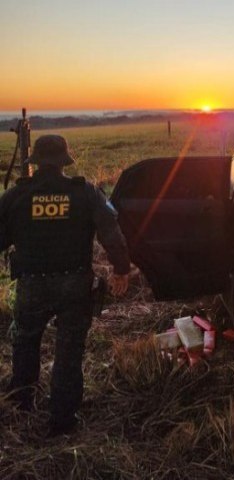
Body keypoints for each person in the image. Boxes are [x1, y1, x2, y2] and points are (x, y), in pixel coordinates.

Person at [0, 134, 131, 437]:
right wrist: (121, 269)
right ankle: (62, 421)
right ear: (64, 162)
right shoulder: (84, 192)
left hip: (31, 285)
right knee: (69, 351)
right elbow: (111, 232)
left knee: (25, 343)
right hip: (74, 284)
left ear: (35, 162)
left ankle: (21, 403)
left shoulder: (16, 195)